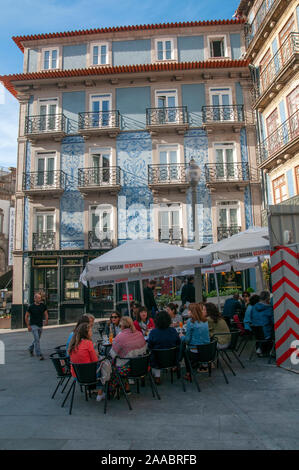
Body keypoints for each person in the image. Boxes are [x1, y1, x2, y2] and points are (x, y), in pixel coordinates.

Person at [109, 316, 147, 394]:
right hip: (142, 367)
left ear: (122, 326)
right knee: (125, 360)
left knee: (112, 365)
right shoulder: (139, 334)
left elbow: (112, 354)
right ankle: (125, 385)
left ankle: (121, 386)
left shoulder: (120, 337)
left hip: (127, 370)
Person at [68, 322, 105, 402]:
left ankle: (90, 390)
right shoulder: (88, 343)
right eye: (90, 330)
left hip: (76, 375)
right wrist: (97, 354)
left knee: (90, 365)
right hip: (89, 376)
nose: (91, 332)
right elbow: (95, 360)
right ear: (86, 333)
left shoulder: (73, 344)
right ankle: (100, 393)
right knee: (104, 364)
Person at [147, 310, 181, 384]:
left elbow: (149, 346)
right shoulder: (173, 330)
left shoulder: (153, 332)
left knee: (153, 353)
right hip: (172, 360)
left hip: (157, 362)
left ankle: (157, 376)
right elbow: (178, 343)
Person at [181, 303, 210, 379]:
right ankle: (194, 365)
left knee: (185, 350)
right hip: (207, 352)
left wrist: (181, 337)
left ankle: (188, 372)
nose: (188, 312)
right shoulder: (205, 321)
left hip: (196, 353)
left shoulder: (190, 322)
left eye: (189, 310)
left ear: (193, 311)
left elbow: (187, 340)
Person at [25, 293, 48, 360]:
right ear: (35, 299)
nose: (39, 299)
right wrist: (28, 326)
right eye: (38, 298)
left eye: (40, 298)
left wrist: (46, 320)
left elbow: (46, 313)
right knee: (37, 339)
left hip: (40, 324)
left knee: (37, 339)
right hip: (33, 325)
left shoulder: (43, 305)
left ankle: (30, 348)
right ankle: (39, 354)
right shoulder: (31, 307)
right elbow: (26, 316)